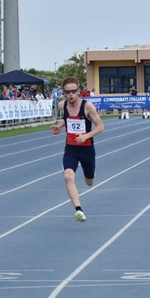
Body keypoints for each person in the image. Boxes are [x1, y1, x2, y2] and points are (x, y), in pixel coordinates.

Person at [49, 77, 105, 222]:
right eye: (67, 92)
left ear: (79, 91)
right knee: (68, 176)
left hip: (87, 149)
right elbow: (68, 119)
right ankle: (78, 210)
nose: (71, 95)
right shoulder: (62, 105)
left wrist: (86, 136)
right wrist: (59, 127)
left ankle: (90, 175)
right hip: (71, 148)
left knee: (89, 182)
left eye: (73, 91)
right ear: (64, 93)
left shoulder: (88, 107)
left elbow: (100, 127)